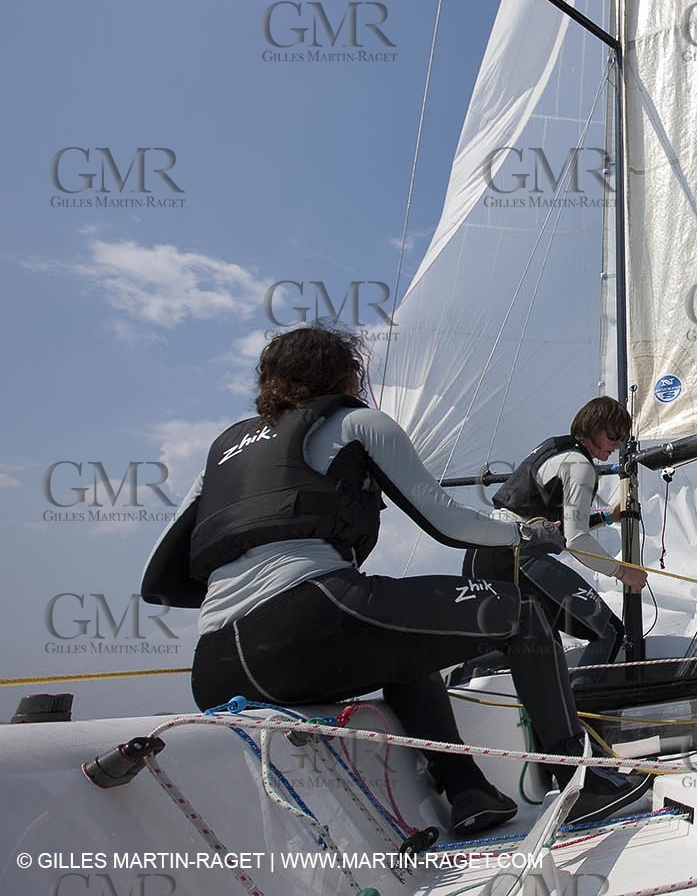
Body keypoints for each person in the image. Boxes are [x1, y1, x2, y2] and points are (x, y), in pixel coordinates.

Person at [139, 326, 650, 836]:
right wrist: (527, 532)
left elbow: (158, 576)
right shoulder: (358, 423)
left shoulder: (222, 451)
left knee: (407, 645)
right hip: (313, 618)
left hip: (216, 668)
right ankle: (577, 783)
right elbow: (447, 521)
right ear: (347, 374)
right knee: (521, 613)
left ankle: (466, 788)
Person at [466, 397, 648, 688]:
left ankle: (458, 679)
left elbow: (558, 525)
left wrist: (606, 516)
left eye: (622, 439)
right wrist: (624, 572)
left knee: (525, 644)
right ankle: (576, 721)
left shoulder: (556, 452)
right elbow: (576, 539)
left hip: (482, 553)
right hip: (516, 555)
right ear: (592, 427)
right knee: (608, 633)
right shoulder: (581, 465)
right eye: (612, 436)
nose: (616, 445)